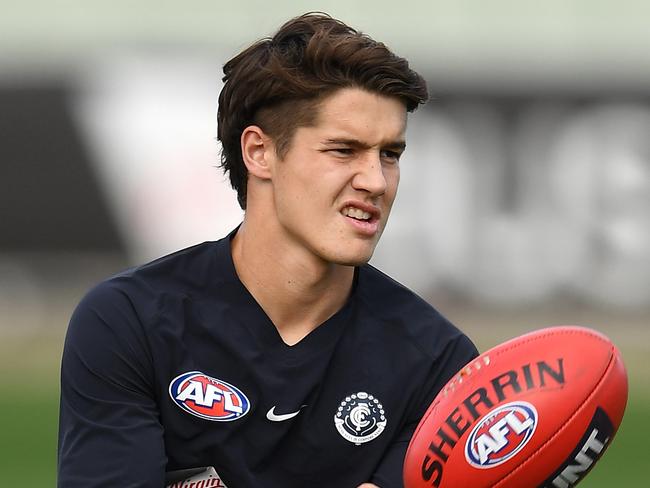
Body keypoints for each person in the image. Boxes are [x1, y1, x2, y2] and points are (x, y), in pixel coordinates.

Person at [58, 12, 477, 488]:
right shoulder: (129, 321)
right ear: (259, 152)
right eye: (343, 150)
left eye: (390, 154)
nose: (376, 181)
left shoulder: (438, 363)